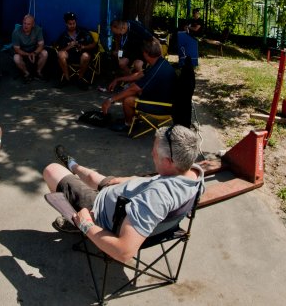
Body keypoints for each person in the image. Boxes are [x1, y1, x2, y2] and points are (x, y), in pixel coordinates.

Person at [43, 125, 204, 264]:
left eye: (154, 152)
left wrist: (86, 225)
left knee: (51, 170)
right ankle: (72, 164)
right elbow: (160, 181)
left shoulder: (155, 198)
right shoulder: (194, 172)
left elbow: (124, 252)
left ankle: (74, 224)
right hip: (124, 195)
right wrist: (131, 180)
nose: (151, 154)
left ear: (169, 162)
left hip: (101, 212)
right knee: (93, 177)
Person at [102, 38, 176, 132]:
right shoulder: (160, 62)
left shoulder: (156, 70)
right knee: (132, 88)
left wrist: (110, 100)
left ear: (146, 54)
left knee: (128, 100)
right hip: (164, 99)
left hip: (163, 107)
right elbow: (139, 74)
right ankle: (131, 117)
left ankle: (128, 124)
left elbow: (133, 89)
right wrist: (118, 79)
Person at [56, 12, 96, 89]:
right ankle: (67, 79)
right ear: (66, 24)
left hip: (82, 55)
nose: (72, 25)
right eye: (70, 24)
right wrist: (69, 46)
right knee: (61, 55)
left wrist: (83, 47)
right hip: (70, 56)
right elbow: (60, 50)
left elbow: (93, 44)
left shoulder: (83, 31)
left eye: (74, 23)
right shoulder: (63, 35)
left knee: (85, 56)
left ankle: (80, 79)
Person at [11, 14, 49, 83]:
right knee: (16, 58)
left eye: (28, 24)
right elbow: (16, 49)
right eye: (24, 23)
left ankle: (38, 72)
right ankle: (27, 74)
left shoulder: (38, 29)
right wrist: (27, 54)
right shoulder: (16, 32)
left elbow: (41, 44)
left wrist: (34, 53)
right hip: (22, 52)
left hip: (34, 51)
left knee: (45, 53)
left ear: (33, 24)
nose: (25, 26)